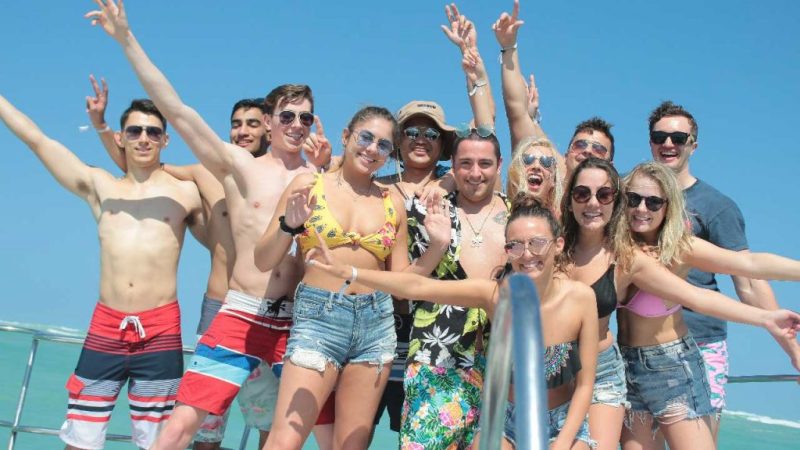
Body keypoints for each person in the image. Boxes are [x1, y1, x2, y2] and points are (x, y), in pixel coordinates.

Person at [84, 2, 334, 449]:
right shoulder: (240, 166)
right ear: (271, 121)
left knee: (305, 433)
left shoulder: (321, 176)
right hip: (241, 311)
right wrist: (126, 39)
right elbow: (176, 109)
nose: (297, 125)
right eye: (288, 116)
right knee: (183, 424)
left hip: (297, 321)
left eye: (306, 117)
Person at [305, 194, 600, 450]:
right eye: (515, 246)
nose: (527, 255)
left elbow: (585, 386)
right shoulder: (495, 295)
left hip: (563, 422)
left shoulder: (581, 299)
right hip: (505, 422)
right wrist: (351, 272)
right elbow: (417, 288)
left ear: (558, 244)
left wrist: (560, 444)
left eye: (537, 243)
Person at [0, 94, 205, 450]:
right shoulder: (101, 186)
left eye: (153, 132)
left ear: (165, 140)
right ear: (121, 137)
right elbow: (37, 139)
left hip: (161, 330)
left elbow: (235, 227)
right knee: (81, 438)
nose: (144, 138)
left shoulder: (186, 193)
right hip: (105, 329)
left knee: (158, 443)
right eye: (135, 130)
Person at [85, 76, 279, 450]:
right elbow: (139, 162)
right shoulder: (206, 172)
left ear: (269, 128)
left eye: (252, 123)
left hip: (267, 309)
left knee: (268, 417)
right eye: (236, 123)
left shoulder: (286, 178)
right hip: (219, 306)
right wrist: (101, 127)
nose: (242, 131)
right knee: (205, 422)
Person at [559, 157, 800, 449]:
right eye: (633, 199)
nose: (641, 209)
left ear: (668, 205)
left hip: (672, 367)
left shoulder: (677, 248)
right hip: (624, 367)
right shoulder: (620, 248)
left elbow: (736, 271)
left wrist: (766, 316)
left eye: (653, 203)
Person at [253, 105, 452, 449]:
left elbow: (402, 284)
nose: (372, 149)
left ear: (391, 154)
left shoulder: (392, 201)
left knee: (352, 445)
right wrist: (289, 226)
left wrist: (437, 247)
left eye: (384, 145)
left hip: (376, 324)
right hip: (319, 318)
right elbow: (263, 259)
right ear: (346, 137)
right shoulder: (309, 184)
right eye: (366, 138)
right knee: (285, 439)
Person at [647, 100, 785, 442]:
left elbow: (749, 282)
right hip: (642, 343)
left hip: (702, 342)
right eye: (660, 136)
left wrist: (794, 351)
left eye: (678, 137)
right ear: (650, 141)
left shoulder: (716, 206)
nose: (668, 144)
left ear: (693, 144)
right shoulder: (630, 197)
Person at [492, 0, 614, 181]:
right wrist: (509, 47)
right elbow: (517, 113)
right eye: (580, 144)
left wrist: (533, 121)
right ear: (565, 156)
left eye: (598, 149)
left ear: (611, 164)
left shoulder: (622, 203)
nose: (587, 151)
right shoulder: (549, 188)